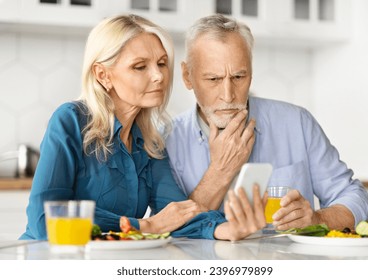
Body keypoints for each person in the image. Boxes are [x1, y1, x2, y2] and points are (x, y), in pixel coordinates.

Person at [19, 14, 266, 241]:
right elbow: (45, 221)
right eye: (140, 66)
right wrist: (144, 226)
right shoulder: (70, 120)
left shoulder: (149, 142)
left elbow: (177, 214)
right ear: (103, 75)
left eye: (161, 63)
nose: (158, 76)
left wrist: (230, 229)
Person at [164, 14, 368, 231]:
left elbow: (354, 197)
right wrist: (221, 170)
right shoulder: (166, 140)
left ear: (251, 73)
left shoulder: (297, 123)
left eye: (238, 77)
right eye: (213, 79)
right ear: (187, 76)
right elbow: (170, 230)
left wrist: (317, 219)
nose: (228, 95)